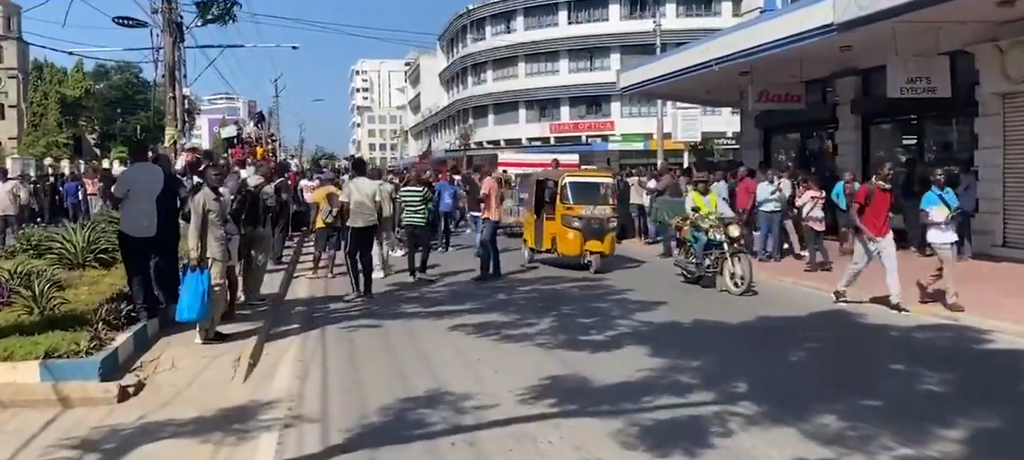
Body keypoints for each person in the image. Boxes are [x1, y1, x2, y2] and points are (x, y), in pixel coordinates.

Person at [833, 162, 907, 314]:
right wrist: (866, 232)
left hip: (885, 234)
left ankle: (896, 300)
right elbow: (853, 214)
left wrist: (888, 215)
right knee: (858, 266)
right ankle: (840, 289)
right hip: (867, 236)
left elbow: (886, 209)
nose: (892, 173)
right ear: (879, 171)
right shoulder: (866, 189)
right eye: (889, 170)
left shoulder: (889, 191)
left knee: (891, 267)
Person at [111, 145, 165, 318]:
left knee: (135, 271)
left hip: (130, 227)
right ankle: (153, 303)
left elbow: (115, 200)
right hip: (151, 225)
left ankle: (141, 308)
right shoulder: (157, 172)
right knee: (147, 268)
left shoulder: (128, 174)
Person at [187, 162, 231, 344]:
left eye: (220, 175)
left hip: (220, 251)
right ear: (205, 177)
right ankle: (204, 332)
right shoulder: (202, 198)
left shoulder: (218, 197)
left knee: (220, 294)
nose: (218, 178)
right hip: (210, 253)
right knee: (214, 292)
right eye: (214, 175)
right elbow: (194, 228)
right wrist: (194, 254)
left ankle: (211, 329)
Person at [917, 168, 964, 312]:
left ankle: (924, 283)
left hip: (950, 234)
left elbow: (956, 209)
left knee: (945, 265)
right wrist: (939, 222)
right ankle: (951, 300)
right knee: (949, 267)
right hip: (936, 236)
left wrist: (955, 216)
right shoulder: (928, 196)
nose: (941, 177)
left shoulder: (949, 192)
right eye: (938, 175)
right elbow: (922, 219)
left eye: (943, 175)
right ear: (932, 178)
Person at [339, 157, 381, 299]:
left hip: (354, 224)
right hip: (370, 223)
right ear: (365, 168)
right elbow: (378, 206)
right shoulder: (374, 185)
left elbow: (344, 206)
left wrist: (345, 221)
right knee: (366, 255)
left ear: (353, 170)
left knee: (350, 255)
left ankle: (356, 289)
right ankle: (368, 290)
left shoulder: (348, 185)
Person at [238, 163, 276, 306]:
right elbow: (272, 208)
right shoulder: (267, 188)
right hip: (261, 227)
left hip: (243, 227)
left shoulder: (243, 183)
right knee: (258, 262)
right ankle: (252, 295)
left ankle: (243, 292)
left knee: (246, 262)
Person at [684, 172, 735, 274]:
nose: (702, 185)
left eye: (704, 182)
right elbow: (689, 209)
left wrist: (733, 216)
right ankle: (698, 262)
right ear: (695, 184)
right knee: (703, 239)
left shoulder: (713, 195)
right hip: (698, 226)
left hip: (713, 225)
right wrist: (695, 216)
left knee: (727, 237)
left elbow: (723, 207)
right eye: (700, 183)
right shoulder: (692, 195)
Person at [398, 171, 436, 281]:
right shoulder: (422, 190)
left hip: (408, 221)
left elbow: (400, 206)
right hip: (421, 221)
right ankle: (422, 270)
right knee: (426, 246)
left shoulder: (402, 191)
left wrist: (398, 223)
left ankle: (411, 273)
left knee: (411, 248)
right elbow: (430, 199)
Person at [307, 172, 343, 279]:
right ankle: (330, 272)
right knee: (332, 249)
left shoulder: (318, 192)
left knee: (318, 249)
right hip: (336, 223)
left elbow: (314, 210)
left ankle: (315, 271)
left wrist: (311, 225)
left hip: (321, 224)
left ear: (324, 181)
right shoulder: (338, 192)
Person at [795, 176, 831, 272]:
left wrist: (799, 194)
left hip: (810, 219)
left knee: (810, 243)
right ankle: (827, 263)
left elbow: (798, 204)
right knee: (820, 244)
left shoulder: (809, 194)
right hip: (820, 218)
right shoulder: (823, 193)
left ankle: (813, 265)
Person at [476, 164, 503, 281]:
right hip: (495, 215)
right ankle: (496, 271)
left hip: (489, 216)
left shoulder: (487, 182)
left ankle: (484, 272)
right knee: (492, 245)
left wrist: (472, 196)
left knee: (484, 243)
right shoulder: (494, 182)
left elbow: (483, 196)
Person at [370, 167, 397, 279]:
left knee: (375, 243)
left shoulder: (369, 187)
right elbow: (395, 203)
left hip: (372, 217)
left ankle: (378, 268)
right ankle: (386, 266)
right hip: (387, 216)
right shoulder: (389, 187)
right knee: (386, 242)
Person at [755, 169, 785, 262]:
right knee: (764, 233)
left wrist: (780, 193)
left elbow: (784, 200)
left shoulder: (778, 186)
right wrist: (771, 193)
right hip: (764, 212)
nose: (771, 176)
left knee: (776, 234)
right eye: (769, 175)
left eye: (773, 175)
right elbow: (759, 199)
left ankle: (776, 255)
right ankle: (762, 254)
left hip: (776, 212)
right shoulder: (761, 186)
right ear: (766, 176)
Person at [830, 171, 860, 256]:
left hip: (852, 209)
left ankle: (851, 247)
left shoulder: (856, 185)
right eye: (844, 175)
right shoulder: (839, 184)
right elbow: (833, 194)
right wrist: (838, 202)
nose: (845, 177)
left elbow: (860, 195)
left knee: (852, 228)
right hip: (842, 209)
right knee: (842, 227)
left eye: (847, 175)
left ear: (852, 177)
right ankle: (842, 246)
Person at [434, 172, 459, 252]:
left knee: (448, 228)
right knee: (441, 227)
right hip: (442, 209)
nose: (448, 177)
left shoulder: (454, 187)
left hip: (450, 210)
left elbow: (456, 198)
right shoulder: (441, 184)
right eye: (447, 176)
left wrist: (456, 209)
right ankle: (440, 245)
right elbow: (436, 195)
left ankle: (448, 245)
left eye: (450, 176)